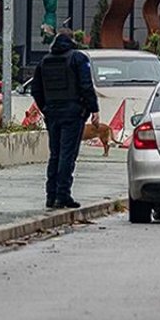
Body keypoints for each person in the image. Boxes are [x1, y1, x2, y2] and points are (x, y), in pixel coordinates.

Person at [32, 29, 99, 209]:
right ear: (72, 41)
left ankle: (50, 195)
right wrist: (94, 109)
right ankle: (63, 195)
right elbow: (86, 85)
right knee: (67, 155)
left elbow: (35, 90)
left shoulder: (44, 61)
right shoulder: (78, 58)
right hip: (72, 113)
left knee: (55, 154)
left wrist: (46, 108)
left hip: (53, 113)